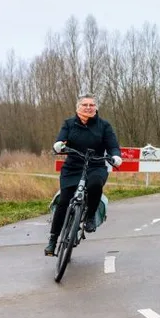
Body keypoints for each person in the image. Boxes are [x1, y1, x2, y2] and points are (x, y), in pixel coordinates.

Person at [45, 94, 122, 256]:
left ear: (96, 108)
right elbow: (61, 140)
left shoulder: (104, 126)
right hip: (73, 166)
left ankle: (90, 216)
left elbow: (113, 146)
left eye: (92, 105)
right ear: (78, 107)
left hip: (96, 165)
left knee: (95, 185)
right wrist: (59, 145)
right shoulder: (69, 124)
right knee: (64, 201)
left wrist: (116, 156)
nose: (88, 107)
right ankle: (53, 240)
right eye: (85, 104)